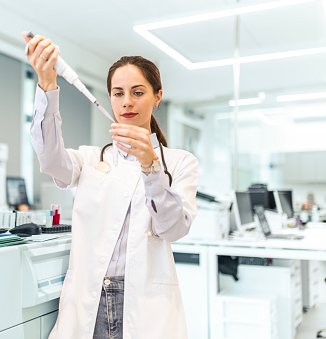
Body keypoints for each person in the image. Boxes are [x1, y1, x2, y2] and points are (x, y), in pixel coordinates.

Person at [22, 32, 198, 339]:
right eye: (118, 93)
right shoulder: (91, 158)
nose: (127, 102)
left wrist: (151, 166)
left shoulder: (180, 163)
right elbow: (50, 160)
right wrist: (47, 83)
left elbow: (173, 229)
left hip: (143, 303)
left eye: (137, 92)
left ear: (157, 97)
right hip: (89, 298)